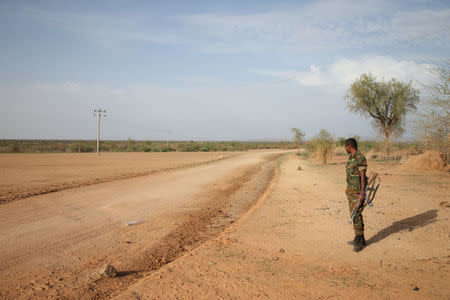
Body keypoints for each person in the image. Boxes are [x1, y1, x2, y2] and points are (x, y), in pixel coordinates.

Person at [344, 138, 367, 252]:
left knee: (356, 214)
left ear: (349, 146)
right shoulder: (351, 158)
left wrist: (362, 193)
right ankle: (361, 238)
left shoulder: (359, 157)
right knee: (356, 214)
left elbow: (363, 175)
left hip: (357, 192)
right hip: (351, 191)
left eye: (346, 147)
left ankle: (358, 241)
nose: (345, 150)